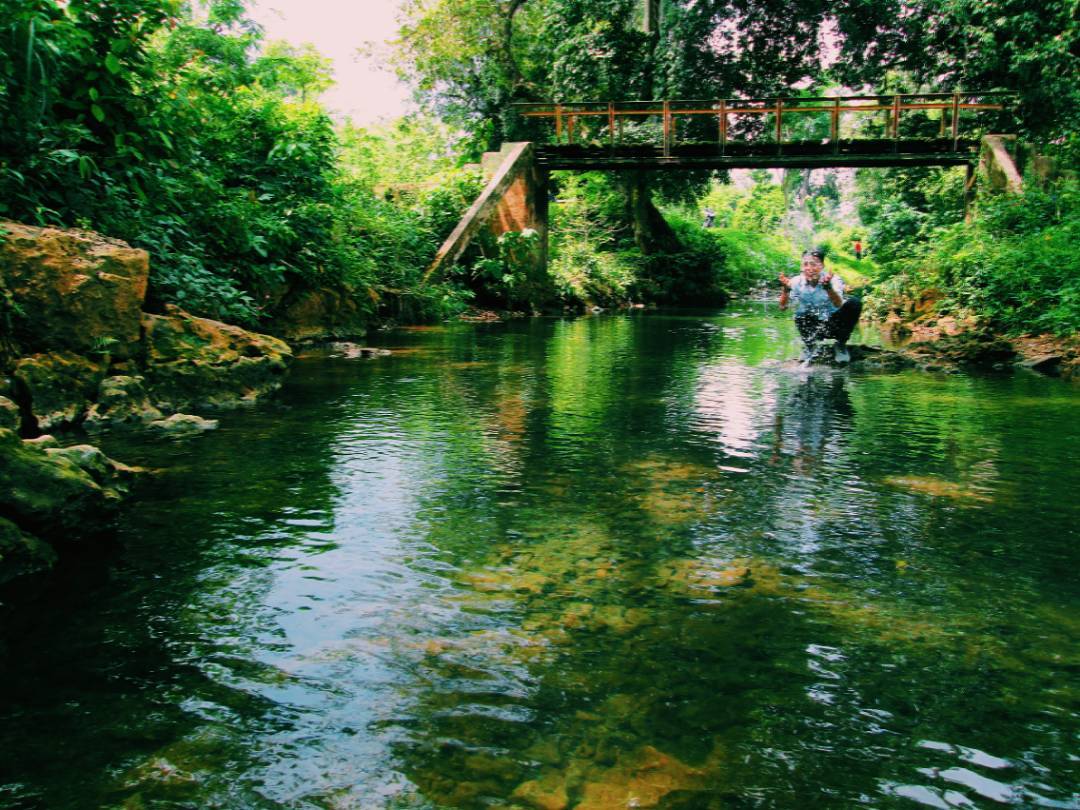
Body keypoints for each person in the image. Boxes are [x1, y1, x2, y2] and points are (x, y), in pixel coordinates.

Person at [779, 248, 862, 364]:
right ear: (802, 267)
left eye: (813, 264)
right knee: (800, 314)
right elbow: (782, 307)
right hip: (813, 327)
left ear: (822, 266)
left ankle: (840, 345)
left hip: (834, 325)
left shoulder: (833, 280)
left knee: (854, 303)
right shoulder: (796, 281)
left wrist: (828, 287)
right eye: (805, 264)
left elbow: (838, 304)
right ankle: (809, 346)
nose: (809, 268)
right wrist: (785, 289)